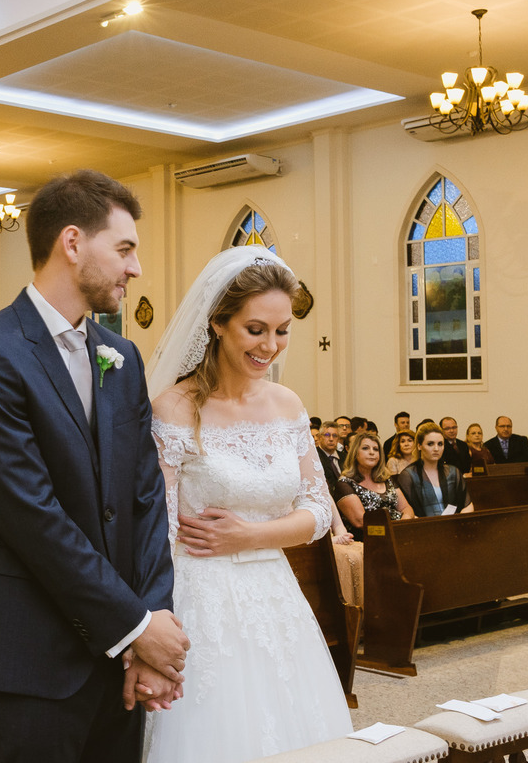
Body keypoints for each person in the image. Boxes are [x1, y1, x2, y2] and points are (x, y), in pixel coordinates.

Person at [0, 170, 184, 762]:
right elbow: (31, 515)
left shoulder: (121, 355)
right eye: (124, 249)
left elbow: (146, 498)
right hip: (26, 654)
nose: (136, 268)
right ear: (72, 243)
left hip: (117, 657)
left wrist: (153, 622)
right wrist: (134, 625)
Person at [144, 244, 351, 761]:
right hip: (200, 597)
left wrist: (251, 536)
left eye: (282, 330)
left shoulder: (288, 405)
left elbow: (320, 511)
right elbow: (156, 531)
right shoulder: (174, 407)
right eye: (255, 329)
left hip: (275, 594)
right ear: (217, 322)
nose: (270, 345)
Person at [335, 431, 414, 539]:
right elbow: (361, 522)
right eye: (365, 448)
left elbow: (405, 507)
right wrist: (396, 530)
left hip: (401, 533)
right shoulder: (345, 484)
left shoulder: (387, 479)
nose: (372, 452)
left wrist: (405, 524)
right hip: (372, 541)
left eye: (376, 449)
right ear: (355, 452)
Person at [397, 422, 471, 517]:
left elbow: (468, 505)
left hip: (454, 525)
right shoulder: (408, 475)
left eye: (440, 444)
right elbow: (406, 511)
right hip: (424, 527)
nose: (436, 449)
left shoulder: (453, 472)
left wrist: (458, 523)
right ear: (419, 446)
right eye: (430, 444)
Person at [315, 420, 343, 498]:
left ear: (338, 439)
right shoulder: (315, 457)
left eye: (334, 436)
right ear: (320, 437)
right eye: (327, 435)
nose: (331, 439)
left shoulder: (345, 457)